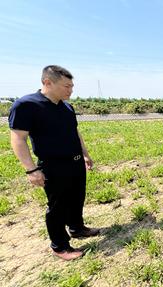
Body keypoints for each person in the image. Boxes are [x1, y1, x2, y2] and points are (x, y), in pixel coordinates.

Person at [8, 65, 99, 261]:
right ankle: (60, 245)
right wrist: (31, 170)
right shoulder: (26, 105)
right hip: (53, 165)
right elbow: (18, 139)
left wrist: (85, 153)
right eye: (67, 86)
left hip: (75, 162)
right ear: (47, 82)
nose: (71, 90)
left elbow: (75, 132)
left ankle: (77, 227)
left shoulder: (67, 107)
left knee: (77, 197)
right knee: (58, 205)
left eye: (72, 86)